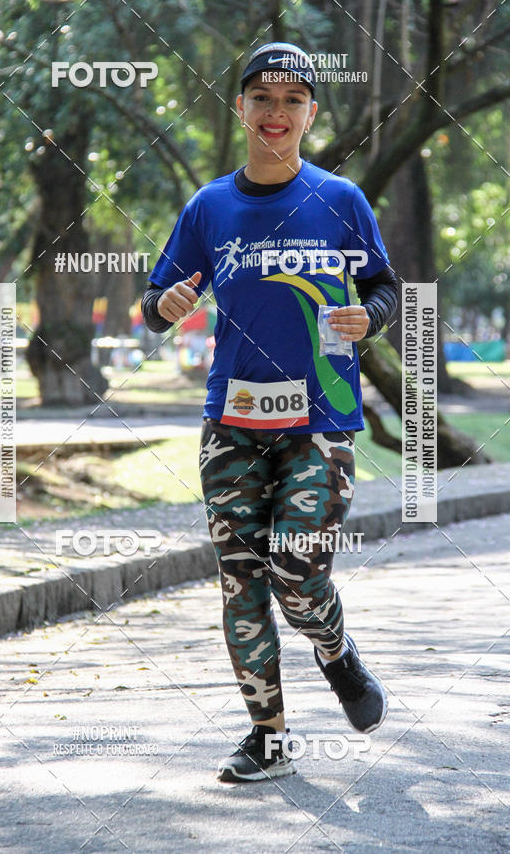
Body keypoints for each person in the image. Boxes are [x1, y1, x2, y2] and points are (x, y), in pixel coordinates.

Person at [142, 42, 398, 783]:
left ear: (311, 113)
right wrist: (165, 303)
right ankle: (269, 735)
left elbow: (384, 288)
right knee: (241, 579)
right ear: (241, 109)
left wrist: (369, 320)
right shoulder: (209, 207)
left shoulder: (341, 201)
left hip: (320, 423)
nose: (276, 111)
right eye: (263, 98)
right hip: (232, 425)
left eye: (292, 100)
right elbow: (153, 306)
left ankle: (334, 652)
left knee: (295, 565)